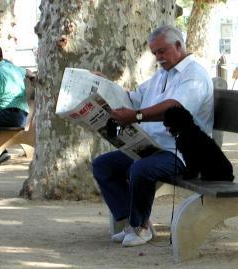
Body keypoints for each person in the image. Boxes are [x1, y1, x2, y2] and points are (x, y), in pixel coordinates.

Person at [92, 25, 213, 247]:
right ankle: (137, 222)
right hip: (154, 146)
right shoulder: (162, 74)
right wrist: (104, 85)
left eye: (162, 51)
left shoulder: (194, 75)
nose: (159, 57)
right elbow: (134, 97)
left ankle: (138, 228)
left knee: (141, 168)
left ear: (178, 45)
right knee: (103, 165)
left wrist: (136, 116)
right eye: (155, 53)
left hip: (183, 152)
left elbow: (176, 108)